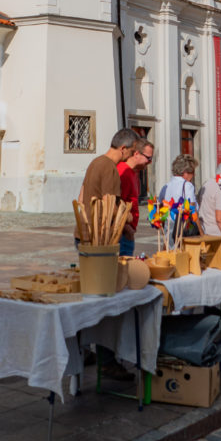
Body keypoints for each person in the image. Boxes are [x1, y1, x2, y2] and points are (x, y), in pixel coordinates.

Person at [75, 126, 139, 382]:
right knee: (106, 301)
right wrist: (127, 228)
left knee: (89, 297)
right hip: (101, 240)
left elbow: (81, 196)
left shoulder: (94, 162)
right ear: (123, 148)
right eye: (132, 151)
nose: (131, 156)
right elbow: (111, 207)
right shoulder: (111, 168)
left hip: (85, 233)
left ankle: (83, 349)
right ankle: (107, 360)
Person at [116, 138, 154, 256]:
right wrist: (128, 229)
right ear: (136, 154)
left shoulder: (133, 173)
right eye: (148, 158)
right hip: (122, 234)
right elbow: (116, 204)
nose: (150, 162)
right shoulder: (124, 172)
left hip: (126, 234)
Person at [159, 153, 200, 243]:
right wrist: (201, 233)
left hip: (167, 226)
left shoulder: (166, 186)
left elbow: (159, 207)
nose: (194, 175)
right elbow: (192, 211)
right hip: (182, 227)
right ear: (185, 172)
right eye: (192, 172)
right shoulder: (187, 186)